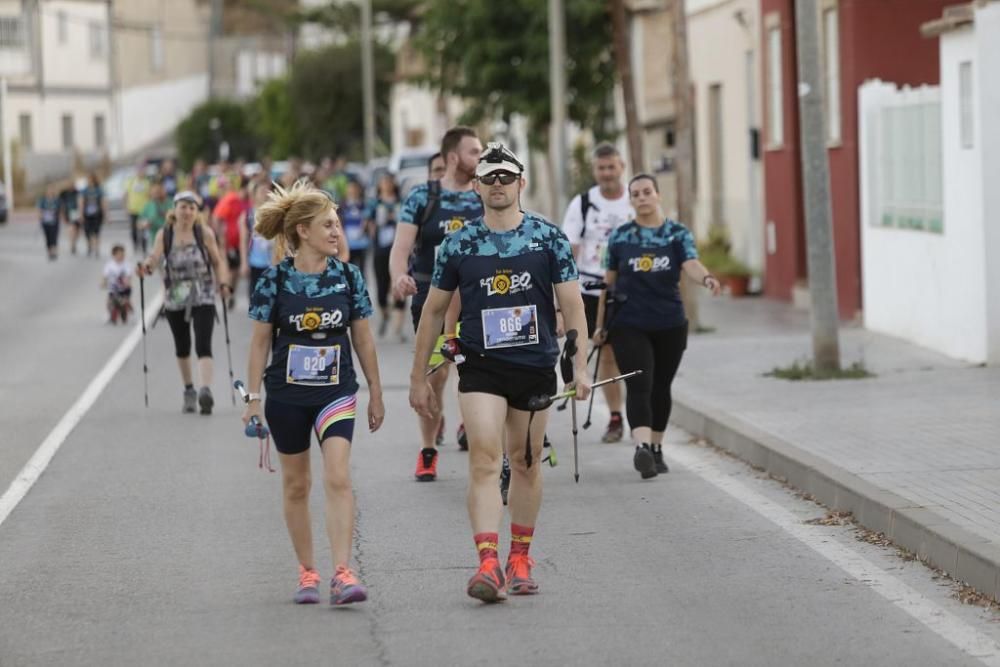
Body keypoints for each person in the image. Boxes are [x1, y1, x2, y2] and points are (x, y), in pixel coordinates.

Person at [409, 142, 590, 602]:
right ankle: (488, 563)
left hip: (534, 365)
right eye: (488, 178)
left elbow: (572, 306)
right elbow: (432, 313)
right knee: (486, 457)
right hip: (480, 365)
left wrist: (579, 368)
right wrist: (419, 376)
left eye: (505, 177)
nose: (497, 184)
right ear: (476, 186)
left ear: (521, 183)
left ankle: (520, 556)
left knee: (526, 462)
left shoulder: (549, 239)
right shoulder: (458, 243)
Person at [243, 181, 384, 606]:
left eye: (338, 224)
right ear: (303, 231)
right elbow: (259, 342)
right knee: (296, 485)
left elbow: (363, 338)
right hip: (286, 394)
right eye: (329, 225)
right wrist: (252, 399)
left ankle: (343, 572)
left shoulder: (348, 276)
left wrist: (376, 390)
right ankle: (308, 572)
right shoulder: (274, 281)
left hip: (336, 392)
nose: (338, 232)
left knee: (338, 476)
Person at [595, 174, 721, 479]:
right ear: (631, 200)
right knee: (639, 384)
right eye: (635, 194)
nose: (641, 197)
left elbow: (690, 264)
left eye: (646, 192)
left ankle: (656, 447)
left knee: (660, 387)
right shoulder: (620, 237)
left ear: (658, 195)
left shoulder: (677, 234)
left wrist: (706, 278)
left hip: (669, 323)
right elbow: (606, 284)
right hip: (629, 323)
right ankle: (642, 448)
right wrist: (600, 326)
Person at [390, 126, 484, 481]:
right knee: (436, 373)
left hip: (478, 299)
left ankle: (471, 426)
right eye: (474, 152)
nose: (480, 158)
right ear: (453, 157)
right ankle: (428, 449)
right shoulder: (422, 197)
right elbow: (400, 249)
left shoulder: (484, 195)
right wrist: (399, 276)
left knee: (475, 371)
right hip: (432, 300)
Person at [560, 142, 633, 443]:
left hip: (630, 288)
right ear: (595, 170)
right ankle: (616, 416)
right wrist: (562, 297)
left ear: (622, 167)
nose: (606, 173)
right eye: (601, 168)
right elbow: (570, 251)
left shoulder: (636, 197)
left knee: (632, 352)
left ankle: (640, 411)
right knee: (606, 353)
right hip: (591, 287)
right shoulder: (583, 203)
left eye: (611, 167)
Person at [139, 191, 232, 414]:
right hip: (176, 297)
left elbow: (218, 262)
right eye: (183, 206)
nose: (188, 211)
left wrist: (223, 283)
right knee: (182, 346)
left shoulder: (204, 233)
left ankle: (205, 390)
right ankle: (189, 389)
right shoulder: (165, 234)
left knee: (203, 344)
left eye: (192, 207)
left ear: (197, 212)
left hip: (203, 295)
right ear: (175, 209)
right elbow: (155, 257)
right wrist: (147, 266)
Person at [369, 173, 406, 340]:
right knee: (381, 290)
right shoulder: (375, 204)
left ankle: (398, 330)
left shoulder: (402, 203)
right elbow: (368, 223)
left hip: (400, 249)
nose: (387, 185)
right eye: (384, 182)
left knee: (400, 285)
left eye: (389, 182)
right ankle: (385, 315)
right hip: (381, 250)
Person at [212, 177, 250, 308]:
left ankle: (230, 292)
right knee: (230, 269)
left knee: (236, 270)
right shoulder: (230, 199)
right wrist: (220, 237)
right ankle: (226, 292)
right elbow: (216, 218)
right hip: (229, 242)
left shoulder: (245, 201)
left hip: (241, 242)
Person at [239, 180, 275, 300]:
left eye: (268, 191)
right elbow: (243, 241)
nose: (266, 194)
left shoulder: (276, 214)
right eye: (262, 191)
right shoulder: (247, 215)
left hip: (273, 262)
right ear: (254, 195)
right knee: (255, 298)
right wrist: (244, 262)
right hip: (255, 263)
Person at [339, 180, 372, 270]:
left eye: (355, 188)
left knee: (361, 270)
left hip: (361, 243)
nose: (352, 191)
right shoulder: (342, 205)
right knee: (348, 270)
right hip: (347, 243)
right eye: (350, 188)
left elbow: (366, 220)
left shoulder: (364, 205)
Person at [124, 164, 151, 254]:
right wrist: (126, 207)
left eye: (142, 171)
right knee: (134, 229)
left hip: (143, 210)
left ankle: (144, 247)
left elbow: (149, 196)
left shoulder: (147, 182)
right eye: (139, 171)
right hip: (133, 209)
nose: (141, 173)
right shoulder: (131, 181)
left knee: (144, 229)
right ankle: (135, 244)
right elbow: (126, 195)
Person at [102, 244, 132, 324]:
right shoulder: (109, 265)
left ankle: (126, 309)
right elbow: (105, 276)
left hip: (124, 289)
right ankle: (111, 315)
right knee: (109, 302)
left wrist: (127, 283)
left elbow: (128, 277)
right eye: (119, 254)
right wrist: (103, 283)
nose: (121, 256)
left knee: (123, 302)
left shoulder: (126, 265)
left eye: (122, 254)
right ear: (114, 255)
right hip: (113, 288)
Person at [78, 172, 106, 258]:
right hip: (87, 215)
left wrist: (105, 214)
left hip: (97, 214)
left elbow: (103, 202)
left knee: (96, 232)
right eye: (88, 180)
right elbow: (81, 203)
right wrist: (81, 214)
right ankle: (89, 246)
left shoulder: (99, 190)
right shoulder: (84, 190)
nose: (90, 181)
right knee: (88, 232)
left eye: (91, 180)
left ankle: (97, 249)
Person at [138, 182, 170, 253]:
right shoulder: (148, 205)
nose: (156, 193)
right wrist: (144, 224)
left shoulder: (171, 203)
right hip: (154, 240)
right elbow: (139, 223)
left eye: (159, 191)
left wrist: (165, 214)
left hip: (170, 239)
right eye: (154, 192)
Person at [37, 183, 61, 260]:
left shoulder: (56, 200)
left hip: (54, 222)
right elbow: (40, 210)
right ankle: (49, 252)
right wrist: (40, 217)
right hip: (46, 222)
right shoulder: (43, 200)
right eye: (49, 190)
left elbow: (60, 210)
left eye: (52, 190)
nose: (50, 191)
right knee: (48, 237)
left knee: (54, 236)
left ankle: (54, 252)